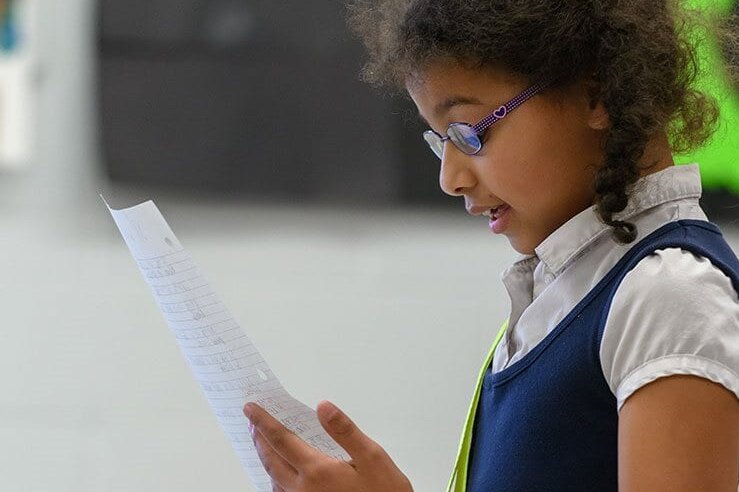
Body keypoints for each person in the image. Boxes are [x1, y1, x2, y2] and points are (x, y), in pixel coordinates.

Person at [242, 1, 739, 490]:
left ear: (597, 95)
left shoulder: (669, 294)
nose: (450, 178)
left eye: (468, 133)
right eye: (440, 141)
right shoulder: (566, 293)